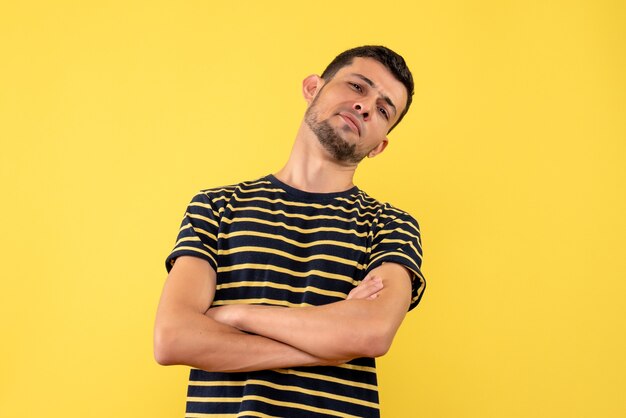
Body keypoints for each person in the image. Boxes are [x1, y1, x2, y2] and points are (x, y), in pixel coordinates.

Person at [154, 45, 426, 417]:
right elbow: (173, 339)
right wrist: (331, 342)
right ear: (313, 87)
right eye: (358, 87)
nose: (365, 106)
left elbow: (371, 333)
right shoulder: (216, 207)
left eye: (383, 109)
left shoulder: (391, 225)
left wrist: (236, 315)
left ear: (379, 146)